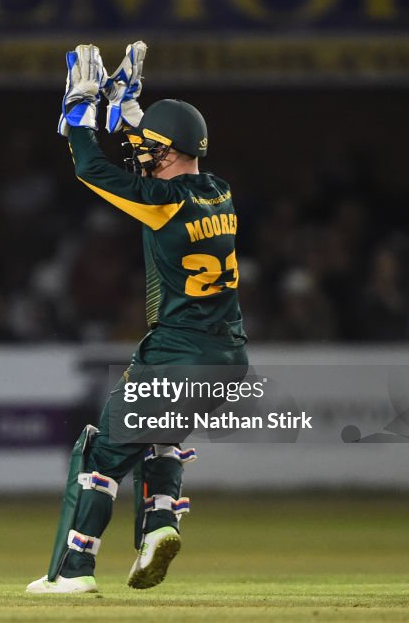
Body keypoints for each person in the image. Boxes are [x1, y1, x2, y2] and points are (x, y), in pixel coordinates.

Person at [26, 44, 247, 594]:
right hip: (228, 358)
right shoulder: (221, 193)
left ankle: (72, 574)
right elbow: (163, 151)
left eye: (148, 147)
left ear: (167, 152)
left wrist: (80, 109)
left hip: (177, 352)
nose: (140, 154)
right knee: (159, 441)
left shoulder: (162, 200)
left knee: (98, 452)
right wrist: (127, 108)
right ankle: (161, 526)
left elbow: (90, 168)